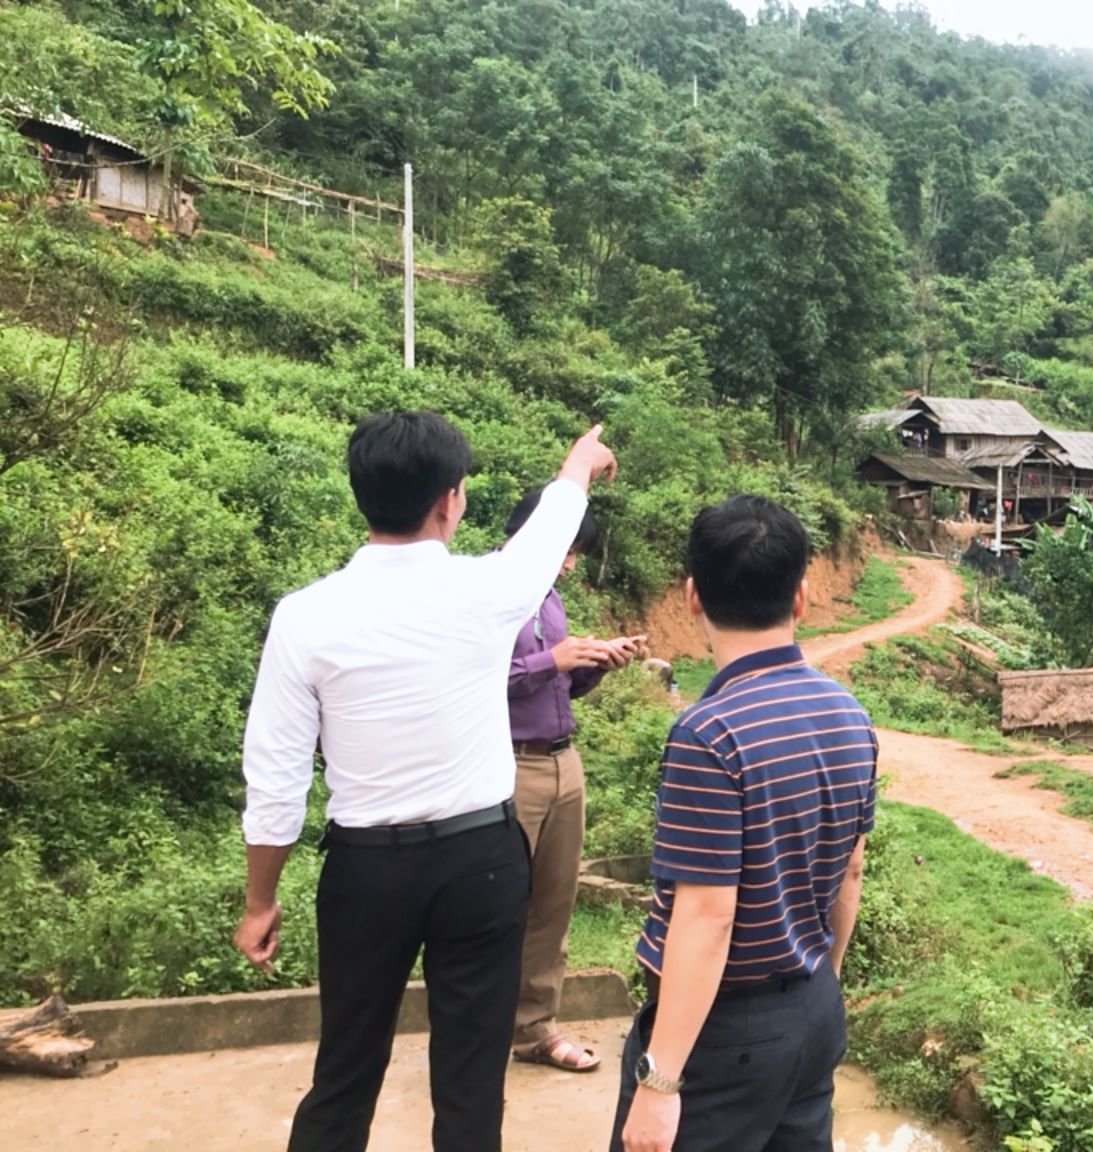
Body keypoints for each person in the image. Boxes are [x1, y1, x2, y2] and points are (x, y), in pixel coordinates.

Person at [235, 413, 617, 1152]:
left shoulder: (304, 618)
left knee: (344, 1069)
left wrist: (260, 900)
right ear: (452, 499)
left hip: (366, 870)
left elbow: (276, 772)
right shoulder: (487, 589)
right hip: (480, 860)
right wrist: (578, 461)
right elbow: (549, 530)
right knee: (471, 1081)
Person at [613, 494, 878, 1152]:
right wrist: (822, 986)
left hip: (725, 1038)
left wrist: (660, 1081)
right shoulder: (850, 714)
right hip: (812, 1005)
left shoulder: (709, 734)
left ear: (693, 597)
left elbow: (708, 916)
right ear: (802, 599)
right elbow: (850, 871)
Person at [501, 486, 646, 1073]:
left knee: (553, 904)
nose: (569, 562)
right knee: (496, 906)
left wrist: (594, 664)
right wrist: (549, 661)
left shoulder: (551, 600)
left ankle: (535, 1028)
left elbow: (557, 684)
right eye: (565, 548)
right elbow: (470, 679)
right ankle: (478, 1029)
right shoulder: (485, 593)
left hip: (564, 761)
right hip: (508, 765)